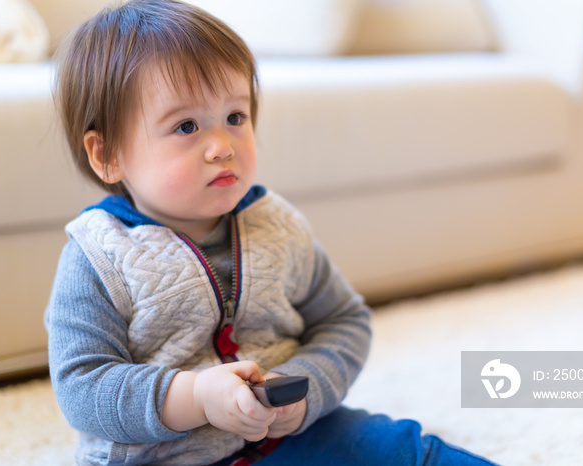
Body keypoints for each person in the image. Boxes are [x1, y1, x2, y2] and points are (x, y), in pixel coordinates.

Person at [45, 0, 499, 464]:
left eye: (235, 117)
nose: (222, 147)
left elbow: (344, 321)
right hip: (163, 457)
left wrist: (307, 391)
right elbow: (82, 387)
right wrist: (197, 396)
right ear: (107, 155)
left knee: (403, 448)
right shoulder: (97, 256)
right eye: (186, 126)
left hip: (290, 438)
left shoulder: (275, 225)